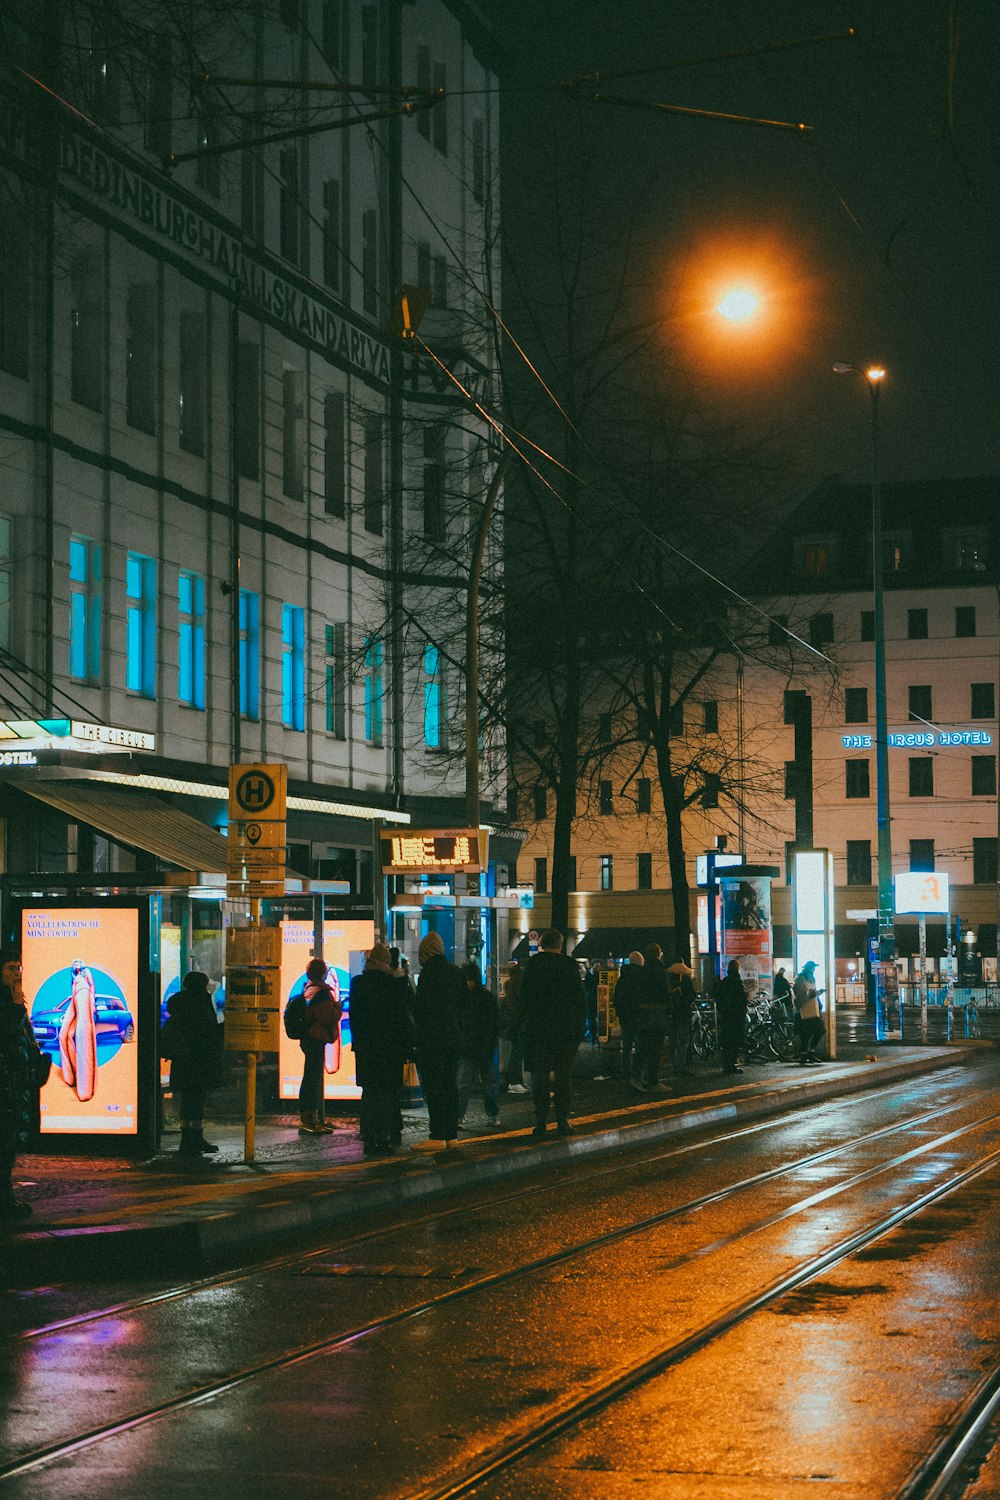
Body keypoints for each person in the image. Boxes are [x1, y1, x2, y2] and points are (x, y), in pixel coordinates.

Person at [519, 928, 586, 1138]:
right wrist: (578, 1027)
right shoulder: (568, 965)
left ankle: (540, 1122)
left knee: (540, 1076)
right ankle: (562, 1121)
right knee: (562, 1076)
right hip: (565, 1030)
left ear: (541, 944)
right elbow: (579, 999)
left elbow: (525, 997)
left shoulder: (533, 965)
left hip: (539, 1029)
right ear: (560, 944)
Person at [349, 943, 415, 1156]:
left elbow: (355, 1018)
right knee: (387, 1093)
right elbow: (401, 1019)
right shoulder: (392, 984)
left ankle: (369, 1138)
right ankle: (384, 1137)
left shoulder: (357, 983)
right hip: (389, 1049)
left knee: (369, 1092)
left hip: (366, 1049)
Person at [411, 931, 465, 1152]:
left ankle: (438, 1134)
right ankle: (451, 1135)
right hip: (453, 1039)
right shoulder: (455, 973)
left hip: (432, 1041)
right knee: (450, 1086)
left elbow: (421, 1010)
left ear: (425, 954)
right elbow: (463, 1007)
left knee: (434, 1088)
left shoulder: (428, 975)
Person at [0, 951, 43, 1219]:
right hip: (6, 1085)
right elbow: (7, 1033)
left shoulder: (16, 1002)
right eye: (10, 968)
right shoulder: (10, 1004)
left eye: (19, 967)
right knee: (4, 1144)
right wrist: (16, 1007)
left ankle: (7, 1198)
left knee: (9, 1145)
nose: (17, 973)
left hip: (17, 1084)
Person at [167, 971, 224, 1157]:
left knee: (187, 1100)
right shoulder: (200, 1003)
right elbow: (208, 1032)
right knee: (197, 1100)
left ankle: (187, 1139)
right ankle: (196, 1138)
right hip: (199, 1060)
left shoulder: (178, 1002)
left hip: (182, 1059)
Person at [297, 958, 341, 1135]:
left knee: (311, 1077)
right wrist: (337, 1007)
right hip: (316, 1037)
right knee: (312, 1078)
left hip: (309, 1037)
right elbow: (328, 1016)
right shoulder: (321, 993)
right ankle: (310, 1119)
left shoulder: (307, 988)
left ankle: (310, 1117)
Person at [457, 963, 501, 1128]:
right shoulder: (487, 998)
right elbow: (495, 1023)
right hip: (483, 1047)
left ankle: (459, 1117)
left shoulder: (462, 998)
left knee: (464, 1084)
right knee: (488, 1083)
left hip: (470, 1048)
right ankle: (492, 1114)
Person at [58, 956, 98, 1103]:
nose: (76, 964)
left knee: (84, 1035)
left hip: (84, 994)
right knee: (64, 1034)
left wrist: (92, 1002)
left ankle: (85, 1089)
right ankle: (72, 1074)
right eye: (74, 962)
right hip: (76, 997)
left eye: (78, 962)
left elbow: (92, 985)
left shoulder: (86, 972)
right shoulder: (73, 975)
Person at [634, 943, 670, 1092]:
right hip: (657, 1013)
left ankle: (636, 1076)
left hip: (643, 1013)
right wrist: (669, 1011)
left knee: (642, 1046)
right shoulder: (660, 970)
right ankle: (653, 1081)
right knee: (656, 1047)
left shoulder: (642, 971)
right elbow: (665, 994)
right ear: (658, 954)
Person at [612, 951, 644, 1082]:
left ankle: (626, 1071)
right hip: (639, 1015)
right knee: (640, 1045)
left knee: (626, 1045)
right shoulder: (642, 977)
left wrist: (621, 1012)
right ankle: (638, 1072)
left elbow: (617, 998)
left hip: (625, 1017)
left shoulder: (623, 978)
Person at [715, 959, 748, 1075]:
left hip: (726, 1017)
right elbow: (741, 1000)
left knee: (727, 1042)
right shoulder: (737, 982)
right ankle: (731, 1065)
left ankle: (726, 1066)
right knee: (735, 1041)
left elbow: (718, 998)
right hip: (736, 1017)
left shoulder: (725, 982)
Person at [500, 962, 529, 1093]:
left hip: (514, 1021)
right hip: (518, 1021)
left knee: (517, 1050)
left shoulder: (514, 980)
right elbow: (522, 1002)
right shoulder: (520, 980)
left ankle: (517, 1080)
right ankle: (514, 1081)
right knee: (518, 1051)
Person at [666, 958, 696, 1079]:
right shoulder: (685, 981)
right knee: (683, 1042)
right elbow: (692, 996)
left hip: (671, 1015)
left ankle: (673, 1066)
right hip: (683, 1014)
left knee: (673, 1041)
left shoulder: (668, 980)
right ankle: (680, 1067)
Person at [793, 960, 825, 1066]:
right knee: (806, 1034)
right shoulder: (801, 979)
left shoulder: (810, 978)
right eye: (813, 968)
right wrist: (816, 993)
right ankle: (804, 1055)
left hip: (813, 1009)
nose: (814, 970)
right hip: (805, 1010)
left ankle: (809, 1053)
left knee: (819, 1031)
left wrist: (817, 998)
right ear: (809, 968)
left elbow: (810, 993)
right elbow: (802, 994)